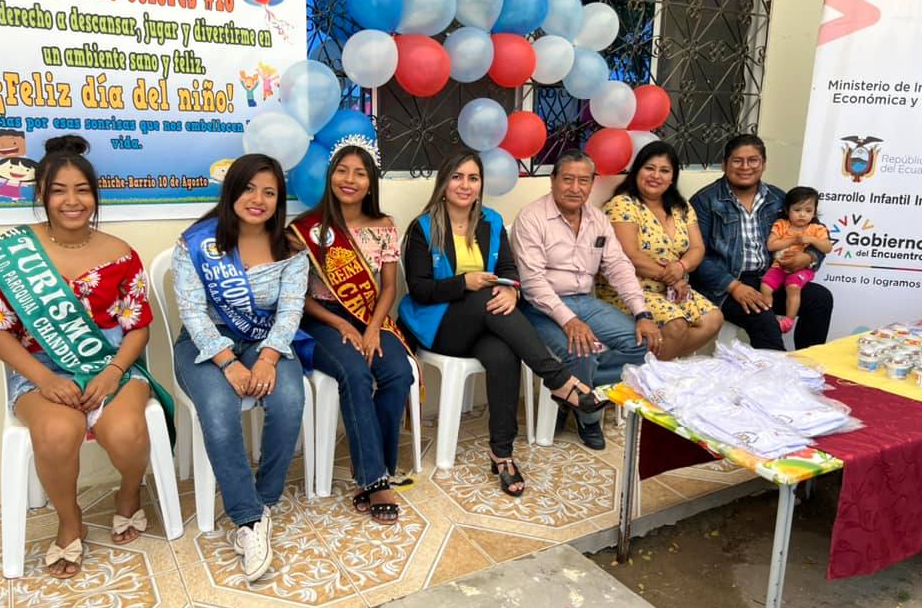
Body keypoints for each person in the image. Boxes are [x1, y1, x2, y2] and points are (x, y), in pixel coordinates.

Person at [0, 135, 173, 579]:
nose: (72, 201)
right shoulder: (11, 254)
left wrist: (114, 371)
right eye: (59, 191)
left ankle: (129, 492)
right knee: (57, 433)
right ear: (41, 195)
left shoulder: (122, 254)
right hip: (39, 370)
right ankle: (70, 520)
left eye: (82, 190)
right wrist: (44, 380)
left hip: (111, 364)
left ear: (95, 196)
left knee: (126, 432)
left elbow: (138, 326)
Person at [399, 152, 610, 496]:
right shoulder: (423, 227)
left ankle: (502, 453)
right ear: (444, 182)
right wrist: (464, 283)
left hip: (486, 323)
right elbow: (420, 289)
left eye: (473, 178)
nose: (465, 185)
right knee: (484, 295)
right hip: (439, 325)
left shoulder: (491, 221)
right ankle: (558, 379)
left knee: (503, 355)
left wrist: (512, 292)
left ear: (481, 184)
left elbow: (509, 271)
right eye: (457, 177)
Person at [172, 153, 308, 582]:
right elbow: (192, 311)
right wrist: (226, 361)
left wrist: (268, 358)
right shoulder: (196, 242)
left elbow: (290, 311)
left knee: (289, 399)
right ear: (232, 190)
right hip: (204, 343)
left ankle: (262, 502)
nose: (258, 199)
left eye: (269, 192)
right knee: (218, 410)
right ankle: (247, 520)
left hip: (266, 341)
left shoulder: (291, 250)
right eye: (249, 188)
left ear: (279, 201)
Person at [288, 136, 414, 524]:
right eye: (342, 171)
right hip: (322, 319)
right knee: (356, 373)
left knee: (398, 373)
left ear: (371, 183)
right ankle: (375, 480)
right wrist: (341, 322)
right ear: (330, 177)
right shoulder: (304, 230)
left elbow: (389, 287)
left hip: (370, 314)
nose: (350, 179)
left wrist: (373, 329)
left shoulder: (384, 226)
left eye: (360, 173)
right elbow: (297, 296)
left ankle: (375, 469)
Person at [512, 149, 662, 450]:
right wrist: (569, 320)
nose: (575, 188)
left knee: (643, 345)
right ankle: (588, 417)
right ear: (553, 180)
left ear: (592, 184)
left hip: (585, 301)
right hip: (540, 306)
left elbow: (618, 267)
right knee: (581, 352)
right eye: (567, 179)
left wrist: (642, 313)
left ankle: (571, 390)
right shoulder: (531, 218)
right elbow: (532, 283)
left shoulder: (597, 219)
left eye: (583, 181)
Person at [690, 134, 833, 350]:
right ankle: (776, 371)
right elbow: (696, 255)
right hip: (725, 285)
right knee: (763, 318)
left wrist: (809, 257)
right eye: (737, 161)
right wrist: (734, 286)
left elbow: (818, 233)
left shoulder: (778, 198)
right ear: (725, 165)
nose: (745, 167)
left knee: (820, 299)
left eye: (753, 160)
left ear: (763, 164)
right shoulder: (704, 201)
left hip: (771, 276)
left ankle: (807, 363)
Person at [597, 141, 723, 360]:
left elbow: (697, 248)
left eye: (664, 171)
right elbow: (630, 255)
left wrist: (681, 266)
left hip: (674, 289)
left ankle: (656, 366)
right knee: (676, 325)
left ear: (672, 177)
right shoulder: (623, 204)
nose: (656, 176)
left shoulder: (681, 206)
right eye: (649, 168)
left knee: (713, 319)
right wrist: (671, 277)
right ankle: (658, 372)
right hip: (631, 290)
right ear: (637, 171)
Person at [760, 186, 833, 334]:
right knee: (765, 286)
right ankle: (768, 318)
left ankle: (788, 321)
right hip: (778, 266)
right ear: (787, 210)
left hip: (802, 270)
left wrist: (812, 240)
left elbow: (827, 247)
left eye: (808, 211)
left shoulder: (816, 229)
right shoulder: (781, 224)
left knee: (793, 286)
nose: (802, 215)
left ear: (814, 212)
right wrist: (792, 240)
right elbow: (771, 245)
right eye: (797, 210)